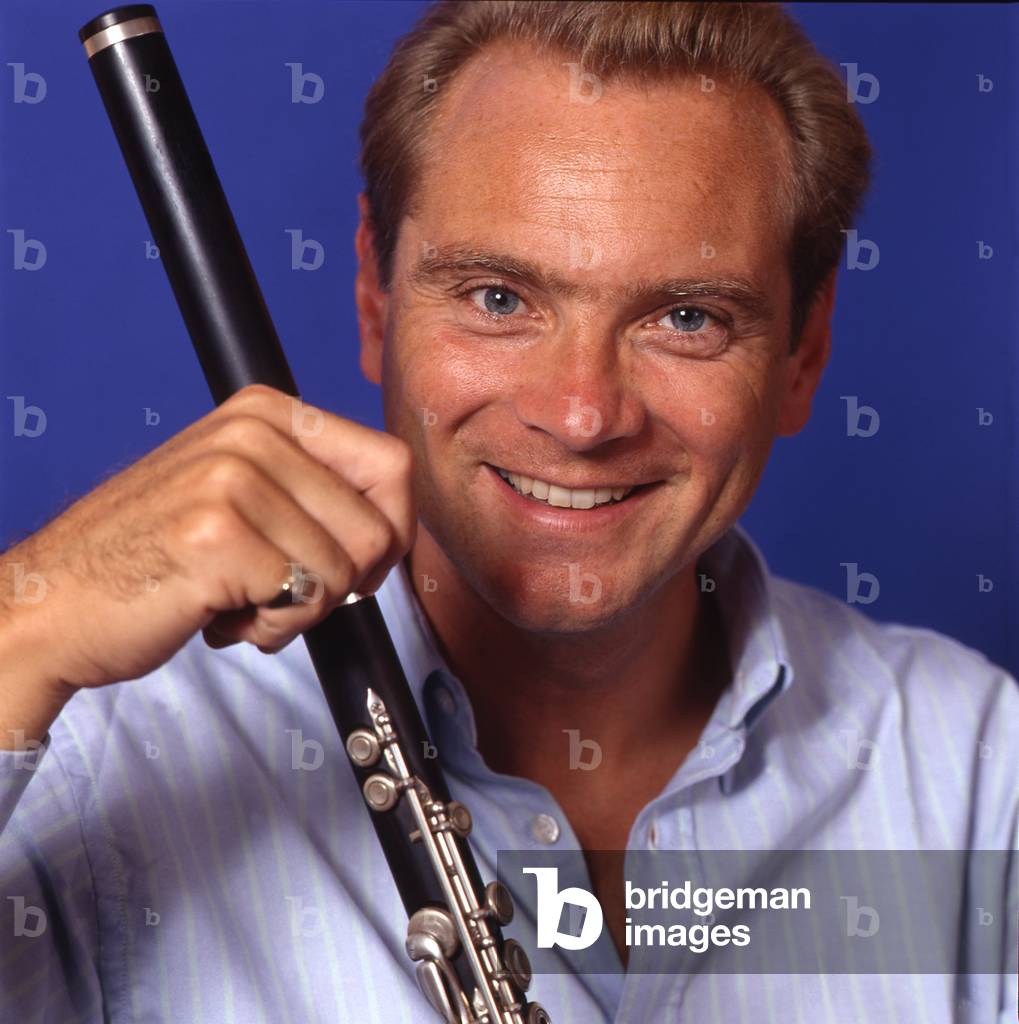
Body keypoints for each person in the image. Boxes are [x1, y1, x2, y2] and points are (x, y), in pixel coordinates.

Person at [1, 2, 1014, 1021]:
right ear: (373, 298)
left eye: (686, 317)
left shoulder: (971, 770)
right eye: (496, 298)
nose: (580, 415)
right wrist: (21, 625)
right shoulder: (97, 763)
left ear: (802, 351)